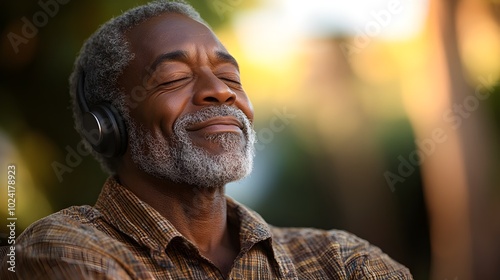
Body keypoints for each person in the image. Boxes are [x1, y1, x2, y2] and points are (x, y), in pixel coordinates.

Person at [1, 1, 412, 279]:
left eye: (231, 76)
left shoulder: (343, 260)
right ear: (106, 125)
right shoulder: (65, 249)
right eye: (174, 78)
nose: (221, 91)